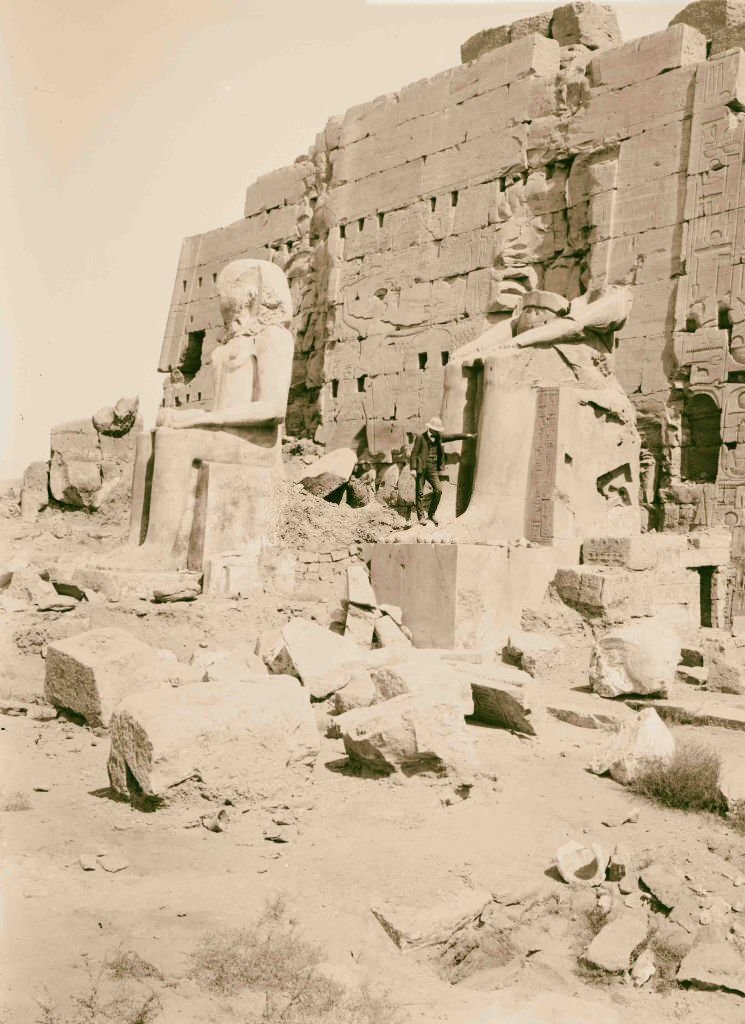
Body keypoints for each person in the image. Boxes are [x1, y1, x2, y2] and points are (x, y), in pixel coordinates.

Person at [410, 417, 475, 525]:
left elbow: (452, 436)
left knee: (438, 490)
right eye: (436, 429)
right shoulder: (421, 437)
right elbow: (414, 453)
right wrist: (413, 468)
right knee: (420, 493)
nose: (437, 432)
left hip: (432, 469)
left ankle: (431, 514)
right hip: (421, 468)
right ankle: (421, 518)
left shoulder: (439, 437)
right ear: (430, 428)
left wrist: (467, 436)